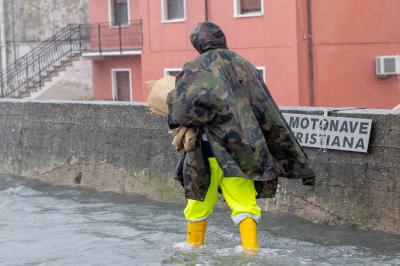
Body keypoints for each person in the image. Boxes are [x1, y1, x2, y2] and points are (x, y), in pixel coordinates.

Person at [167, 22, 315, 251]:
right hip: (244, 151)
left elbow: (181, 110)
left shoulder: (194, 68)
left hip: (207, 151)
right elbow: (264, 107)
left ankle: (193, 247)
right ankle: (250, 252)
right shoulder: (245, 65)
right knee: (244, 204)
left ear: (198, 42)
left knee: (197, 201)